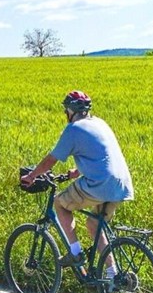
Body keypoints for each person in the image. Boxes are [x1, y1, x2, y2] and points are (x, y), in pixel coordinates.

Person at [19, 90, 134, 276]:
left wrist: (32, 176)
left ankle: (75, 253)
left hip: (99, 184)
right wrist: (77, 172)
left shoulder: (73, 129)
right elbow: (100, 154)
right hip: (121, 184)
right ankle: (114, 274)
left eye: (66, 110)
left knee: (59, 203)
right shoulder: (100, 123)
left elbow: (51, 160)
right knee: (94, 225)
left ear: (70, 111)